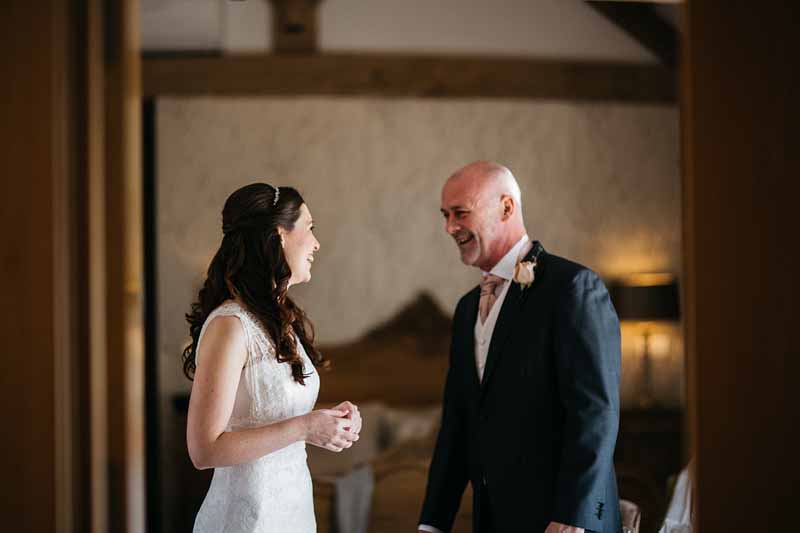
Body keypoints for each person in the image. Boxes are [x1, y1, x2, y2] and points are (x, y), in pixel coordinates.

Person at [418, 162, 622, 533]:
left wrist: (572, 517)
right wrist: (433, 523)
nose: (449, 227)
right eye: (445, 215)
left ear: (507, 208)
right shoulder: (466, 310)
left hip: (561, 522)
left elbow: (596, 413)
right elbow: (459, 424)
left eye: (460, 213)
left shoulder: (573, 288)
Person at [183, 183, 362, 533]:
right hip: (245, 519)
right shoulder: (230, 326)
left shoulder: (280, 322)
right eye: (310, 228)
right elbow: (203, 449)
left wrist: (330, 421)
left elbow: (273, 413)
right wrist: (306, 427)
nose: (316, 243)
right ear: (280, 235)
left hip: (293, 512)